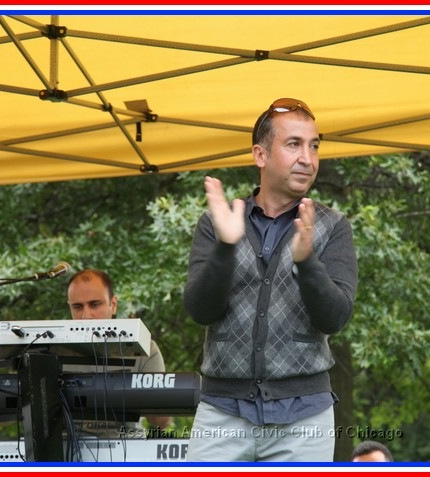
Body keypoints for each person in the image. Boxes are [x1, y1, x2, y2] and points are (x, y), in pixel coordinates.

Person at [183, 98, 358, 461]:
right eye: (294, 144)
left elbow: (335, 318)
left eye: (314, 146)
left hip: (305, 417)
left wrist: (307, 262)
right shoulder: (217, 221)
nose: (307, 158)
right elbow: (200, 311)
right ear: (260, 155)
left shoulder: (332, 225)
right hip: (222, 411)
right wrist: (226, 247)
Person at [65, 268, 172, 435]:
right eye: (78, 307)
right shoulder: (50, 350)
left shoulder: (146, 348)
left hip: (128, 446)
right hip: (66, 447)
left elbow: (161, 422)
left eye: (95, 304)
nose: (86, 316)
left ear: (113, 305)